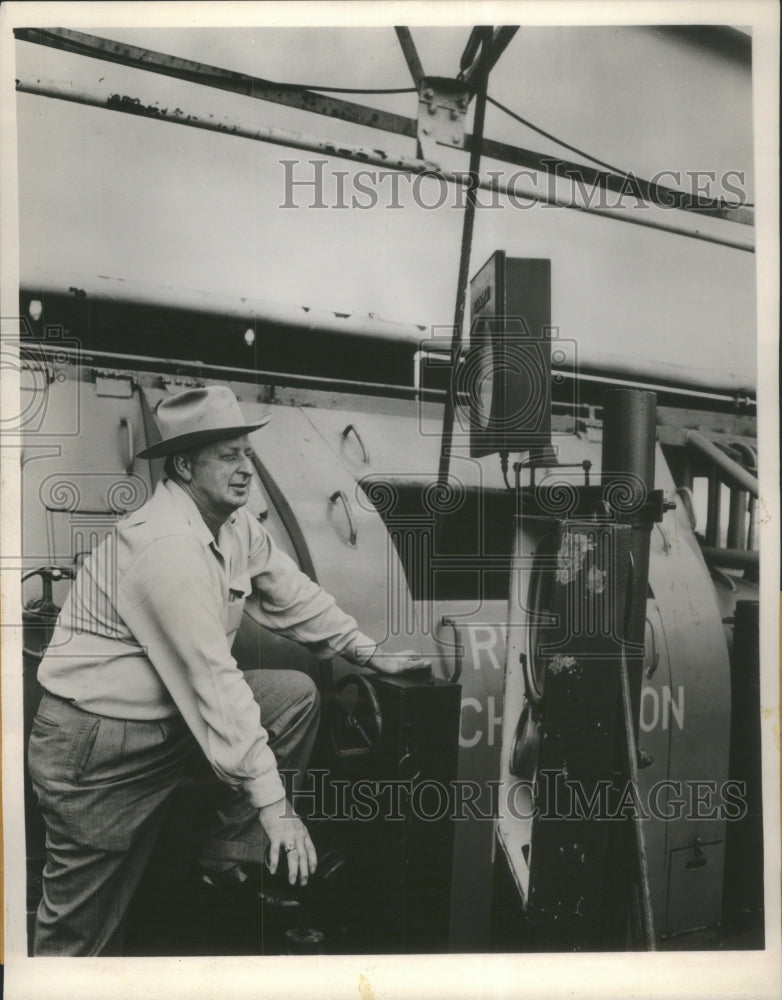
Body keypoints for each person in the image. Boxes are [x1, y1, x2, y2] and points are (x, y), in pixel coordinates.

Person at [28, 385, 427, 956]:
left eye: (247, 454)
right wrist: (276, 809)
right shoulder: (166, 548)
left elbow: (293, 595)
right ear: (186, 464)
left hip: (165, 721)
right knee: (82, 930)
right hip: (97, 746)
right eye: (228, 456)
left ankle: (226, 859)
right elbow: (215, 682)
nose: (245, 471)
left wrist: (365, 650)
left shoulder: (233, 526)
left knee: (292, 696)